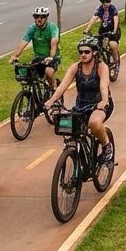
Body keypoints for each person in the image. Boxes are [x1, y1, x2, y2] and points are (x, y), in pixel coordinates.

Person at [45, 36, 115, 165]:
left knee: (94, 123)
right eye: (80, 52)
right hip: (81, 106)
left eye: (86, 52)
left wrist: (104, 100)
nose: (83, 54)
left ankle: (106, 145)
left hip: (99, 104)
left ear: (94, 52)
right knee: (69, 131)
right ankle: (76, 160)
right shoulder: (75, 67)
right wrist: (51, 101)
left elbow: (103, 86)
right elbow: (62, 86)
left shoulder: (101, 67)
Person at [10, 7, 59, 89]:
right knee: (29, 74)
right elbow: (24, 41)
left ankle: (53, 88)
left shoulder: (52, 27)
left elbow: (54, 41)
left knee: (48, 72)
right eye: (37, 17)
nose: (39, 19)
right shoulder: (32, 28)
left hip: (52, 57)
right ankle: (33, 94)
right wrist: (15, 55)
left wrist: (51, 57)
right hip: (38, 57)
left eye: (42, 17)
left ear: (46, 18)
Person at [83, 0, 121, 74]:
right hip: (103, 28)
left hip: (113, 28)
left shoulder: (112, 8)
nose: (105, 4)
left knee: (112, 45)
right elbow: (94, 18)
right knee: (96, 45)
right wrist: (87, 29)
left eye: (106, 2)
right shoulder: (100, 9)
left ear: (109, 2)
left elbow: (116, 19)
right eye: (103, 2)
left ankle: (115, 62)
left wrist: (114, 30)